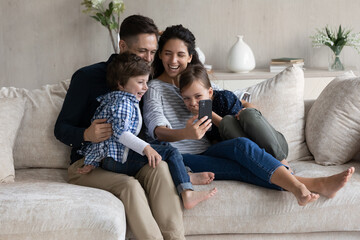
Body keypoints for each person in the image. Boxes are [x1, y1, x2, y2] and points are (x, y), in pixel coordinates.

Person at [143, 24, 355, 207]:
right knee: (242, 168)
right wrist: (185, 133)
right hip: (183, 158)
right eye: (168, 53)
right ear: (160, 54)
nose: (173, 60)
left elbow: (234, 95)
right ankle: (309, 185)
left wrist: (247, 106)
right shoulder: (154, 88)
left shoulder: (196, 81)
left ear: (189, 57)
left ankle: (308, 183)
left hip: (210, 150)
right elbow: (157, 131)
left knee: (241, 145)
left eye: (180, 54)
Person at [55, 15, 188, 240]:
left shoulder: (145, 79)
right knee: (130, 186)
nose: (149, 59)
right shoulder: (87, 77)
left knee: (160, 169)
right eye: (142, 51)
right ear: (122, 45)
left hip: (129, 158)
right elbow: (61, 128)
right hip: (88, 163)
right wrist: (86, 134)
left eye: (153, 52)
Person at [77, 52, 217, 209]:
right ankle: (187, 193)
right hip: (118, 160)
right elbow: (122, 134)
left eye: (146, 82)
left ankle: (185, 175)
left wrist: (92, 162)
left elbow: (105, 141)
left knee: (165, 151)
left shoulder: (114, 100)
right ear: (121, 84)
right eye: (140, 82)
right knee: (170, 152)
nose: (145, 87)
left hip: (112, 158)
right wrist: (146, 148)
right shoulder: (124, 103)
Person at [179, 63, 288, 161]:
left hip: (275, 145)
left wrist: (209, 113)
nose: (193, 103)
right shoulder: (197, 115)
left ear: (210, 92)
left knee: (237, 118)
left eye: (198, 96)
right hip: (254, 155)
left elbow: (234, 128)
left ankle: (282, 162)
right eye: (186, 98)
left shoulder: (224, 98)